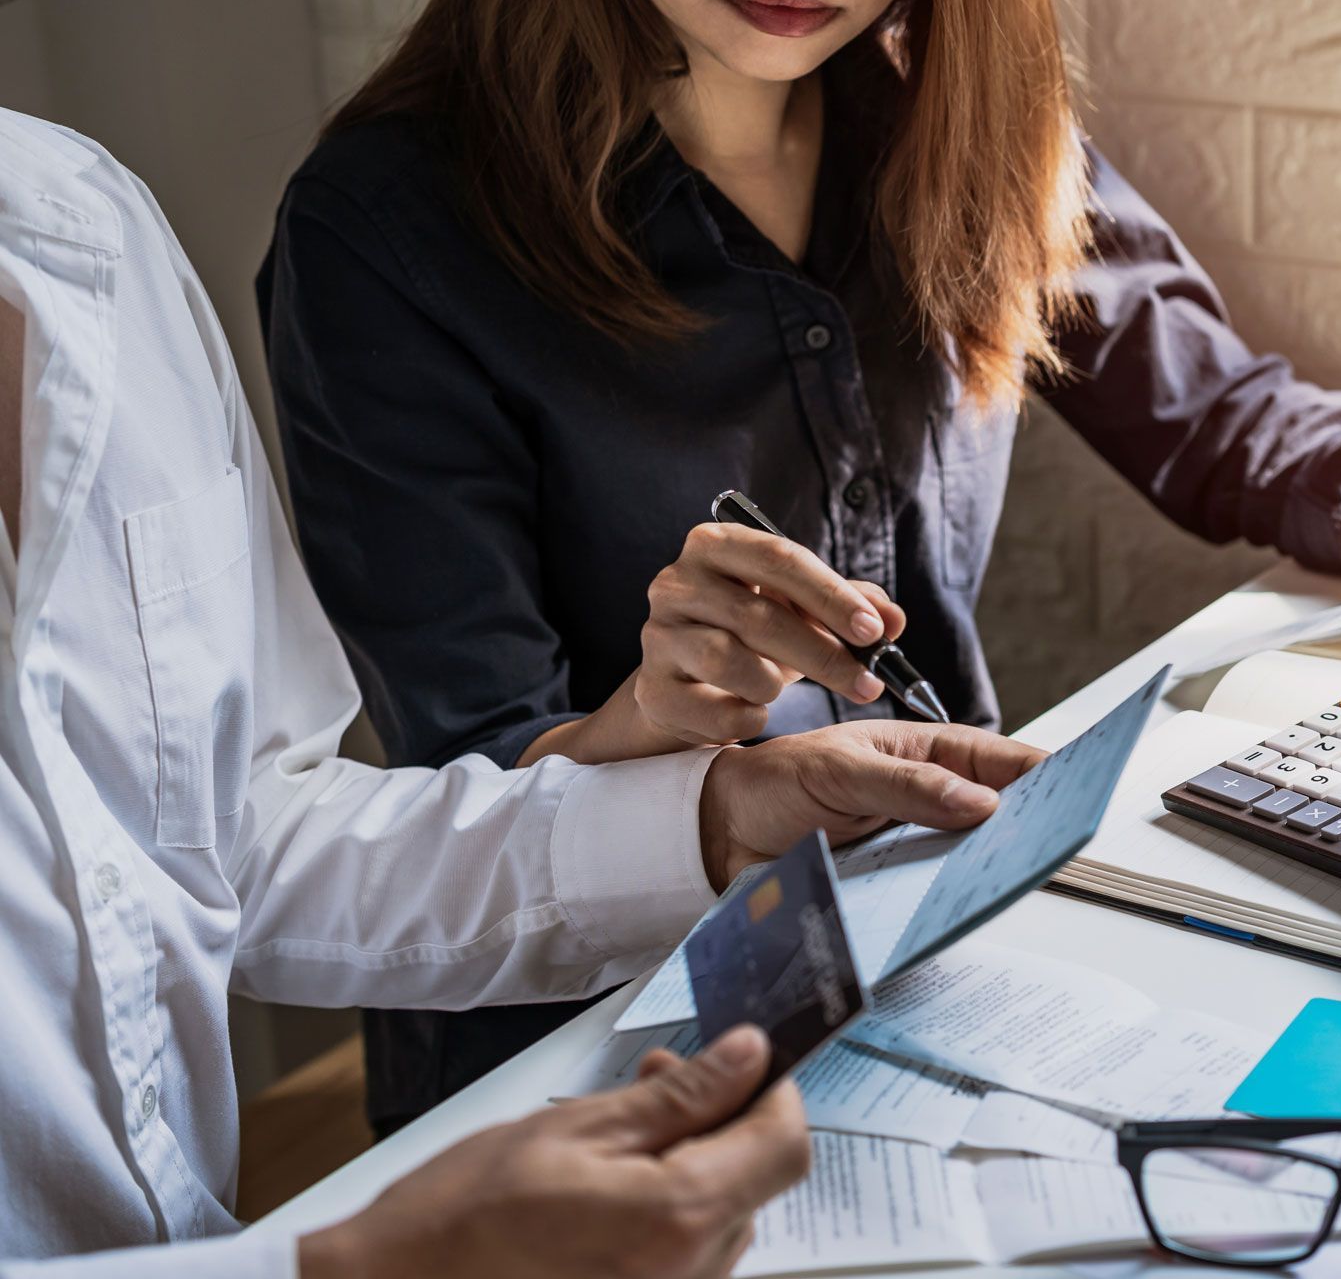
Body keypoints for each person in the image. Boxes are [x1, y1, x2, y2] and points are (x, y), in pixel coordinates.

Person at [258, 0, 1341, 1131]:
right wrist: (654, 729)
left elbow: (1208, 405)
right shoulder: (387, 228)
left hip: (939, 926)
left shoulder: (950, 112)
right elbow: (474, 785)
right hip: (592, 1046)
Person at [0, 105, 1044, 1276]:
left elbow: (232, 832)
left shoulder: (80, 219)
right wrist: (355, 1263)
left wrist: (712, 812)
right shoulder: (384, 222)